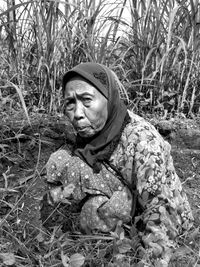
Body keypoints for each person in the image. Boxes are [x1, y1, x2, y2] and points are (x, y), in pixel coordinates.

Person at [46, 62, 193, 266]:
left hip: (160, 218)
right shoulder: (95, 131)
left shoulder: (142, 141)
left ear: (109, 98)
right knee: (62, 160)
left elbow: (160, 207)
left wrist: (151, 259)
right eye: (70, 103)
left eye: (87, 100)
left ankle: (118, 239)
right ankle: (94, 231)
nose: (78, 113)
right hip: (123, 201)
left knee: (94, 206)